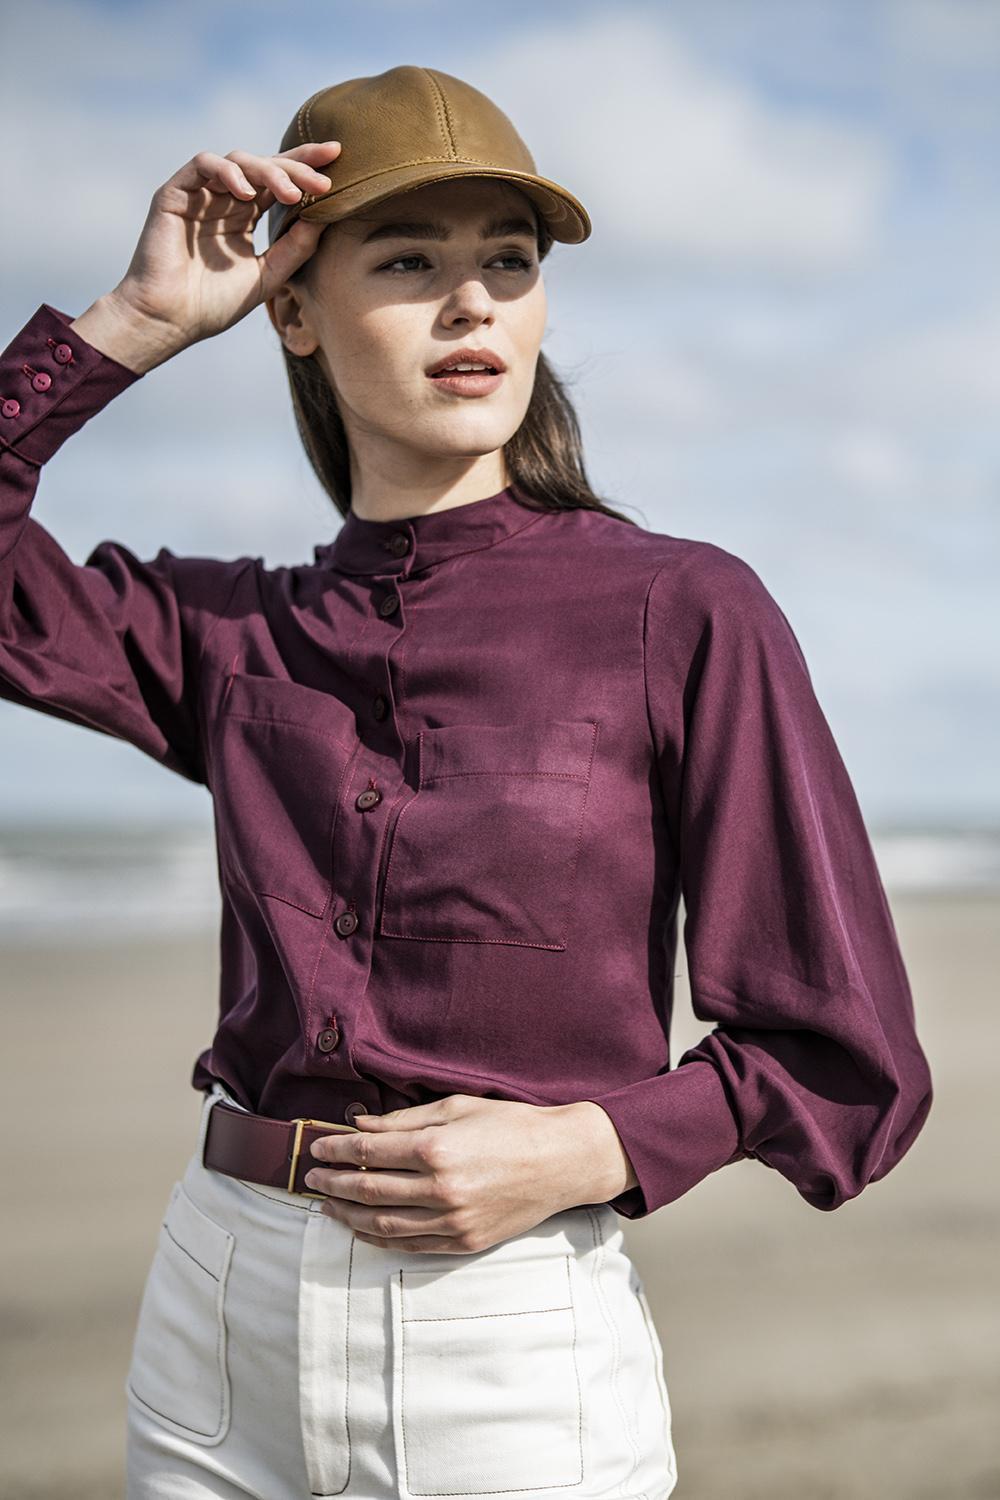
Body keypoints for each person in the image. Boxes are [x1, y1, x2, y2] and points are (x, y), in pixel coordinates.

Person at [0, 63, 932, 1500]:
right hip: (214, 1319)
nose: (473, 303)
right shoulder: (231, 631)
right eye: (411, 260)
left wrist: (591, 1145)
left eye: (508, 262)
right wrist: (127, 328)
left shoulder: (683, 611)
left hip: (501, 1336)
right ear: (293, 313)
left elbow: (846, 1053)